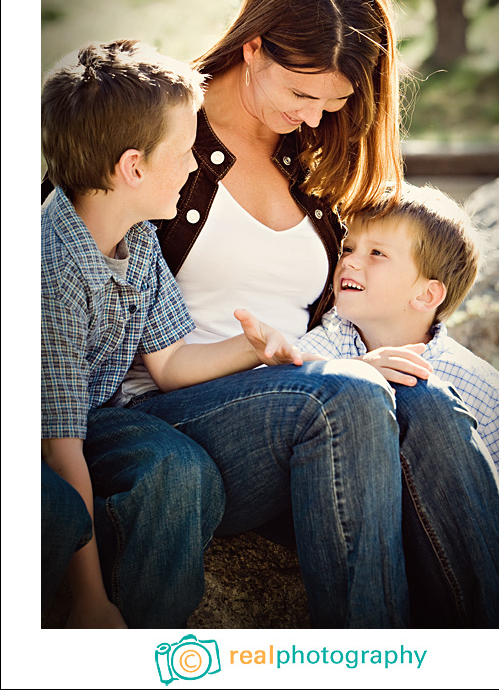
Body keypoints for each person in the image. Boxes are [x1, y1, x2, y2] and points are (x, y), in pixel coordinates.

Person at [110, 0, 499, 628]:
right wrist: (333, 373)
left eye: (334, 101)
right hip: (174, 412)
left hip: (309, 391)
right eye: (302, 94)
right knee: (351, 393)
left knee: (422, 398)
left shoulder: (313, 153)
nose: (316, 118)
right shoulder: (157, 130)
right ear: (253, 48)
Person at [41, 39, 306, 629]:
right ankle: (93, 611)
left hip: (97, 420)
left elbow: (169, 362)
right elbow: (57, 449)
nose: (195, 164)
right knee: (65, 503)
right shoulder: (50, 266)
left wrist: (251, 349)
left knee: (180, 471)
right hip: (41, 433)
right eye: (186, 150)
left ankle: (155, 631)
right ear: (133, 167)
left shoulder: (136, 238)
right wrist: (88, 599)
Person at [295, 182, 499, 609]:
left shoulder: (476, 383)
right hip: (374, 546)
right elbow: (280, 398)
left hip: (465, 551)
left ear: (426, 294)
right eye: (349, 248)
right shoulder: (323, 347)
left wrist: (486, 544)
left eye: (377, 254)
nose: (350, 261)